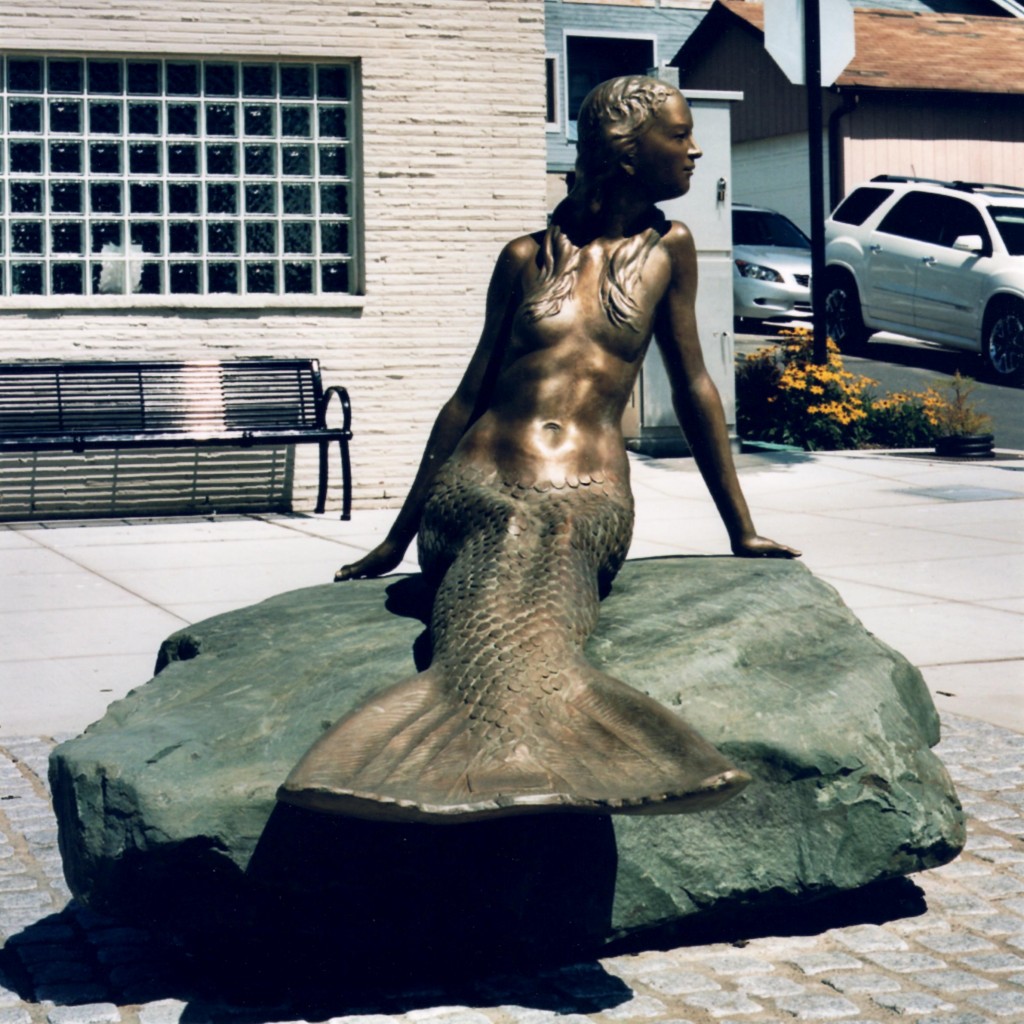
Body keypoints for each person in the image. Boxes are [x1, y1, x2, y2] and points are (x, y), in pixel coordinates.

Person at [277, 75, 799, 824]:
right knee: (507, 525)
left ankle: (498, 733)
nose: (694, 150)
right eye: (679, 135)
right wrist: (395, 537)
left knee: (550, 534)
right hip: (482, 475)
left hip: (587, 489)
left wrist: (739, 527)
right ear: (626, 152)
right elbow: (468, 396)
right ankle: (490, 732)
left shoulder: (670, 250)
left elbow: (695, 390)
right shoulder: (524, 257)